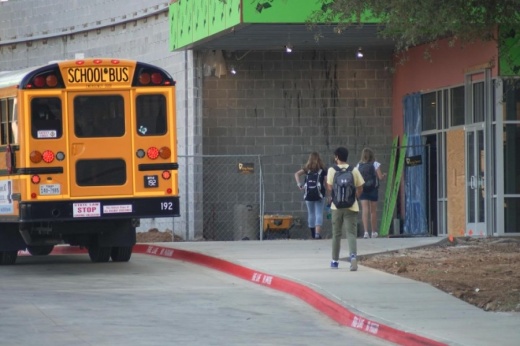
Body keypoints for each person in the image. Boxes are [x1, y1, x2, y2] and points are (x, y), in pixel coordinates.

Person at [326, 147, 364, 271]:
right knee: (351, 233)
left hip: (336, 207)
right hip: (351, 206)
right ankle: (353, 257)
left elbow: (330, 187)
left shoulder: (332, 170)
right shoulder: (354, 170)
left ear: (337, 157)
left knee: (336, 234)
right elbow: (360, 187)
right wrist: (354, 197)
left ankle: (334, 261)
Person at [294, 152, 327, 239]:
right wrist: (329, 193)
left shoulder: (307, 169)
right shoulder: (323, 169)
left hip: (308, 194)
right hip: (320, 194)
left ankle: (312, 233)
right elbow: (326, 183)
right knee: (319, 213)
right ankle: (317, 234)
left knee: (311, 213)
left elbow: (296, 174)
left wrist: (299, 184)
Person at [357, 148, 386, 239]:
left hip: (363, 189)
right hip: (373, 189)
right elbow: (380, 177)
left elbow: (357, 179)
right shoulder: (375, 164)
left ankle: (366, 232)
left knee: (364, 210)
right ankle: (373, 232)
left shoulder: (359, 165)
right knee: (373, 211)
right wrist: (384, 175)